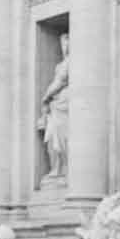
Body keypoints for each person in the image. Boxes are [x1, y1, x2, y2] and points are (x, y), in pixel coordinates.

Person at [38, 33, 70, 178]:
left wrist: (46, 96)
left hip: (65, 103)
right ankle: (57, 168)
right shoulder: (60, 65)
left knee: (63, 136)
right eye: (62, 43)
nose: (65, 46)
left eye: (68, 42)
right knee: (52, 137)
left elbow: (61, 81)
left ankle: (64, 168)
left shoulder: (71, 63)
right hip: (56, 105)